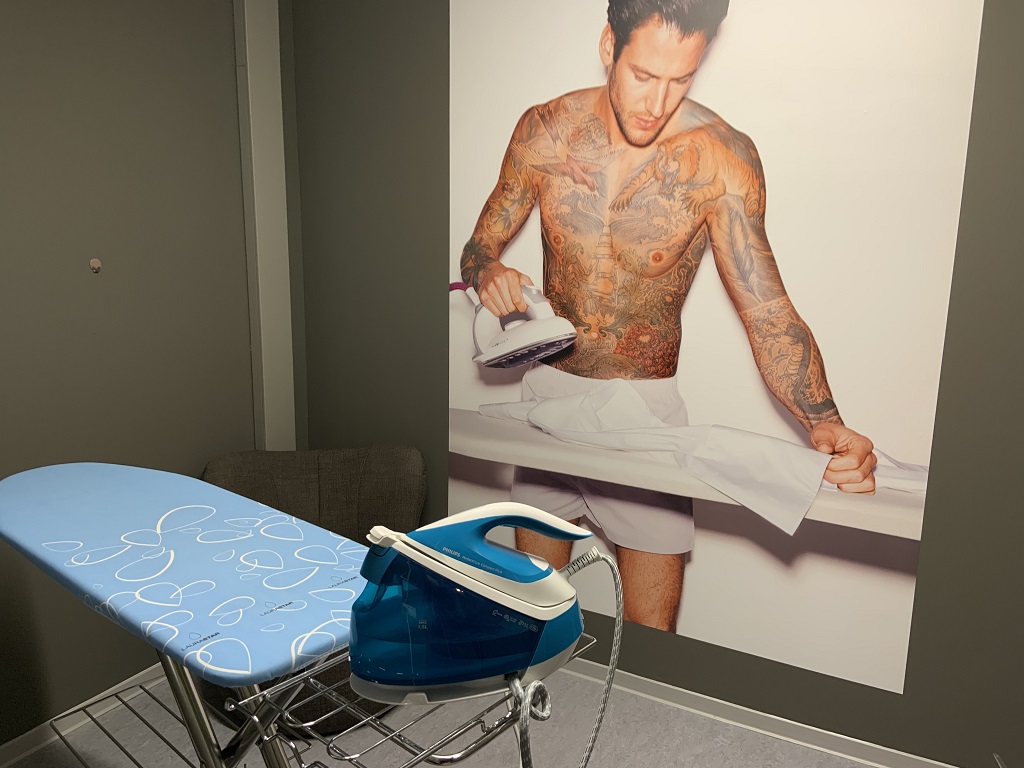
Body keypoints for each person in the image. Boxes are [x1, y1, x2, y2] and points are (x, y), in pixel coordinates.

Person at [458, 0, 877, 632]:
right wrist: (488, 272)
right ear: (610, 46)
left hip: (646, 417)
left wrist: (826, 422)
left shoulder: (723, 159)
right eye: (644, 75)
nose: (658, 103)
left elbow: (766, 310)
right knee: (529, 628)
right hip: (545, 404)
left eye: (681, 78)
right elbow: (476, 249)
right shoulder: (546, 130)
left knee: (653, 646)